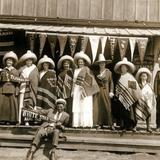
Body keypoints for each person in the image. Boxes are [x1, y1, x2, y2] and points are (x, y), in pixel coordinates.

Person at [72, 51, 99, 128]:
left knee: (85, 105)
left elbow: (91, 80)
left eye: (82, 62)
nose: (80, 63)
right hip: (77, 89)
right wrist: (73, 91)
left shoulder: (87, 69)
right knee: (77, 105)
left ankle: (86, 123)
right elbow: (74, 81)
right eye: (79, 62)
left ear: (84, 62)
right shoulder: (75, 70)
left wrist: (84, 86)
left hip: (85, 89)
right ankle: (77, 123)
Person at [114, 57, 141, 131]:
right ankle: (124, 126)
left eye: (124, 67)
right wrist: (118, 93)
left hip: (129, 96)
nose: (123, 68)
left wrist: (128, 91)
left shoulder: (129, 77)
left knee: (129, 112)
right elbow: (118, 87)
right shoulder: (120, 77)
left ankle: (131, 126)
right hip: (121, 97)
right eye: (122, 67)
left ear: (127, 68)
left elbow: (134, 88)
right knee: (122, 111)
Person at [94, 53, 115, 130]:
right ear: (99, 64)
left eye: (103, 63)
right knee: (99, 107)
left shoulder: (108, 72)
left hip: (106, 91)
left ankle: (110, 124)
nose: (102, 64)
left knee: (107, 107)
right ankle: (99, 123)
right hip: (98, 91)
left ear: (105, 64)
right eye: (100, 63)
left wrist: (111, 91)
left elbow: (111, 82)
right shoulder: (96, 72)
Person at [18, 50, 39, 125]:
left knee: (30, 104)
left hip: (31, 89)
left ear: (32, 61)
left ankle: (29, 120)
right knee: (22, 104)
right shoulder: (22, 69)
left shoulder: (35, 68)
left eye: (30, 60)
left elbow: (36, 79)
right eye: (27, 60)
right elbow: (17, 76)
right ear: (25, 61)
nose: (29, 62)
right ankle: (21, 120)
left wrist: (30, 81)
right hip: (23, 88)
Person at [0, 51, 20, 124]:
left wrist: (17, 91)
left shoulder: (16, 71)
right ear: (6, 62)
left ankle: (12, 120)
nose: (9, 62)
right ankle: (2, 120)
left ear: (13, 62)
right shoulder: (3, 70)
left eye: (11, 61)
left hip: (12, 89)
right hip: (3, 89)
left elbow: (18, 83)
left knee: (12, 105)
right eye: (8, 60)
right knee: (3, 105)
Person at [135, 67, 156, 132]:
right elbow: (136, 92)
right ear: (140, 77)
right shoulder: (138, 84)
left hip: (147, 101)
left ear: (147, 77)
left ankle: (148, 127)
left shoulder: (149, 85)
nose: (144, 77)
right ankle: (135, 126)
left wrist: (149, 99)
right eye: (142, 76)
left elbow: (151, 94)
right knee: (137, 112)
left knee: (148, 112)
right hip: (140, 101)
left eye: (145, 76)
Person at [57, 55, 75, 126]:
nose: (66, 65)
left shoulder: (72, 72)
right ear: (63, 65)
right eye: (65, 63)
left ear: (70, 64)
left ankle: (70, 122)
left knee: (70, 107)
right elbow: (59, 84)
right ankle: (64, 122)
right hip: (63, 92)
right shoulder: (61, 74)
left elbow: (74, 82)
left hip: (71, 91)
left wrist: (73, 91)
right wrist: (59, 92)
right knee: (64, 107)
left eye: (68, 63)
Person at [154, 57, 160, 132]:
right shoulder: (158, 73)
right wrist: (155, 93)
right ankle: (158, 125)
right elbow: (155, 83)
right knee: (159, 110)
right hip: (159, 94)